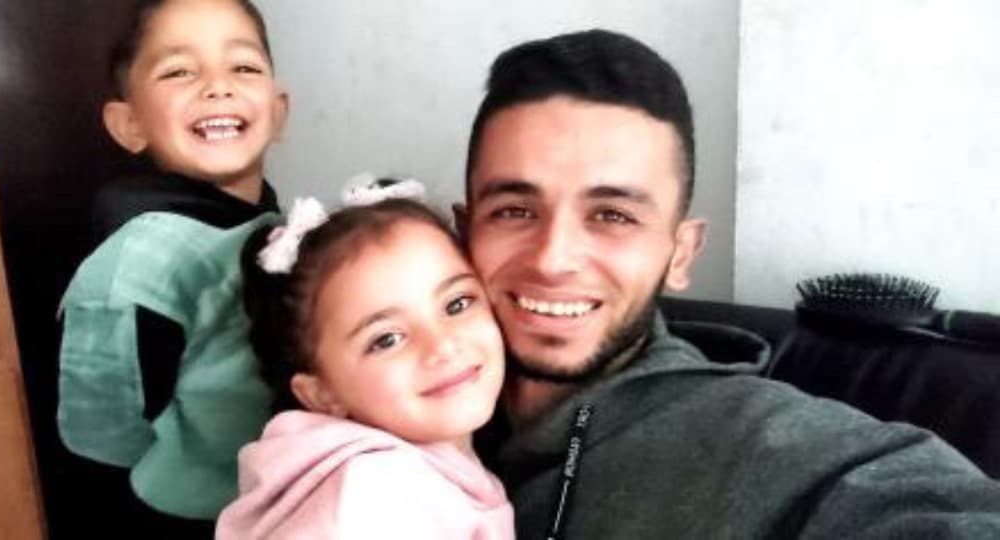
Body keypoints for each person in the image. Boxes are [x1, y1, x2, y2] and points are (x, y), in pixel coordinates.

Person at [457, 29, 1000, 538]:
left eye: (613, 216)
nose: (552, 259)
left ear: (681, 253)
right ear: (461, 233)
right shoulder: (419, 395)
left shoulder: (764, 445)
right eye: (514, 211)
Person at [55, 0, 288, 529]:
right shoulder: (135, 266)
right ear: (129, 123)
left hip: (278, 502)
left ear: (278, 112)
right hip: (190, 517)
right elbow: (100, 436)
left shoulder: (273, 224)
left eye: (243, 66)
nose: (218, 86)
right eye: (179, 71)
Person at [216, 183, 514, 539]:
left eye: (457, 304)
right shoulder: (371, 494)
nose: (443, 346)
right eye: (386, 339)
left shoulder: (434, 469)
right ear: (322, 394)